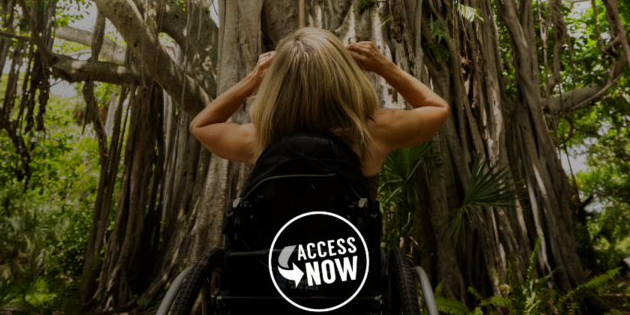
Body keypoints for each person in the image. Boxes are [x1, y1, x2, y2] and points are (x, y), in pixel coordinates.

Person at [189, 27, 449, 199]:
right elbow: (438, 108)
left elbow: (201, 126)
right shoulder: (373, 131)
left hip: (276, 269)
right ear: (344, 77)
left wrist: (254, 78)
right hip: (348, 269)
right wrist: (384, 67)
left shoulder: (260, 139)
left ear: (277, 85)